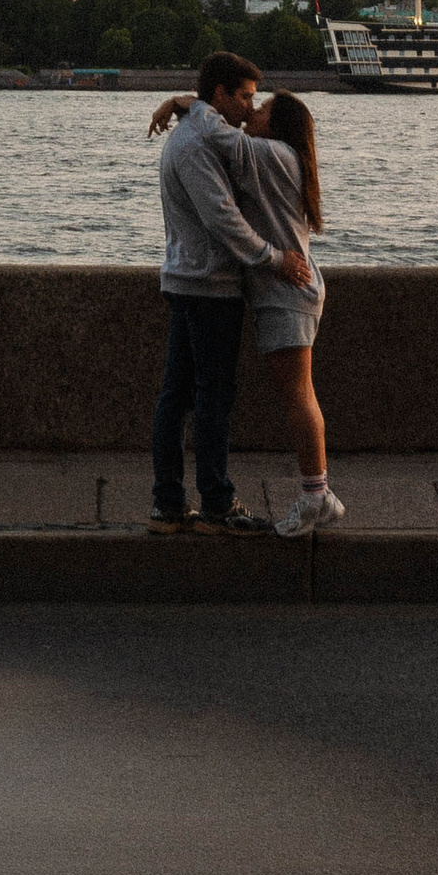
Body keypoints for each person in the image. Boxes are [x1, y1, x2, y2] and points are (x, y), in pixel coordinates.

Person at [148, 52, 310, 529]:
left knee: (177, 395)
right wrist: (274, 258)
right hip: (208, 285)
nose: (249, 105)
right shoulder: (196, 145)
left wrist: (183, 103)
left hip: (192, 280)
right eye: (243, 96)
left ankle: (170, 503)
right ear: (219, 95)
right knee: (209, 396)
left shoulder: (198, 136)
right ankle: (213, 501)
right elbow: (223, 220)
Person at [235, 90, 342, 535]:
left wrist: (186, 104)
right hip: (293, 291)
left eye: (261, 109)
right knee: (301, 393)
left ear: (277, 125)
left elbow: (222, 141)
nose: (252, 111)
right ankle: (323, 497)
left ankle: (315, 496)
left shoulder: (272, 153)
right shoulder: (286, 155)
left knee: (299, 395)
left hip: (286, 293)